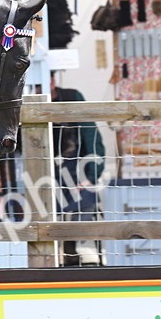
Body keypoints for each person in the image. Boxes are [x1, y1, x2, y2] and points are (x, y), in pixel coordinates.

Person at [51, 73, 107, 266]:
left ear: (52, 80)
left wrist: (91, 176)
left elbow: (91, 137)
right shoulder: (21, 101)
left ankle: (76, 248)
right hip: (46, 174)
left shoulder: (72, 97)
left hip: (77, 169)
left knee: (86, 203)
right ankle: (63, 252)